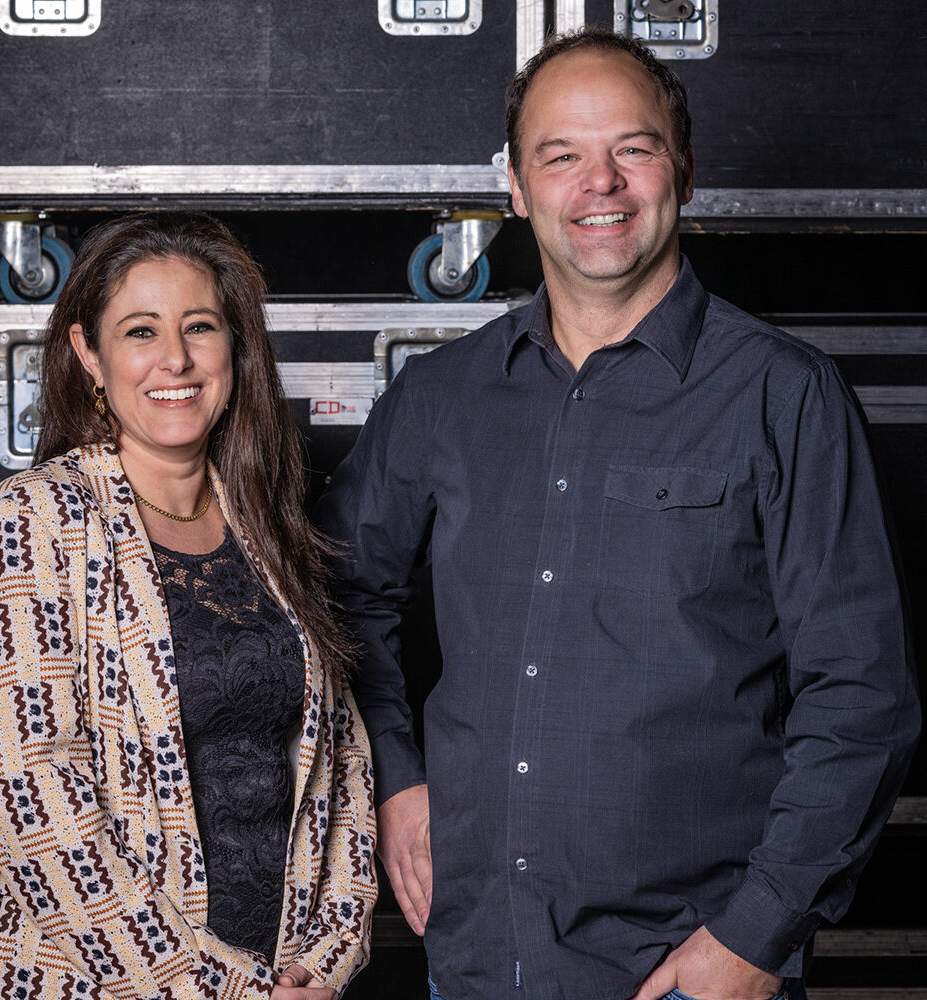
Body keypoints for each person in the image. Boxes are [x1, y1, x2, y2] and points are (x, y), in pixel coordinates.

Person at [315, 26, 920, 1000]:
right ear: (517, 187)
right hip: (478, 961)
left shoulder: (784, 396)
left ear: (684, 168)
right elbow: (337, 592)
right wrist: (393, 773)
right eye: (561, 155)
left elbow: (862, 696)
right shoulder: (441, 397)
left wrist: (757, 935)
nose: (600, 183)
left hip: (686, 973)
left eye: (632, 148)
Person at [0, 212, 376, 1000]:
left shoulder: (268, 524)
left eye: (200, 326)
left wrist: (328, 957)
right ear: (89, 353)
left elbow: (340, 760)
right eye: (140, 330)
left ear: (234, 348)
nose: (175, 358)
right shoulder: (27, 520)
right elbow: (33, 803)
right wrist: (223, 990)